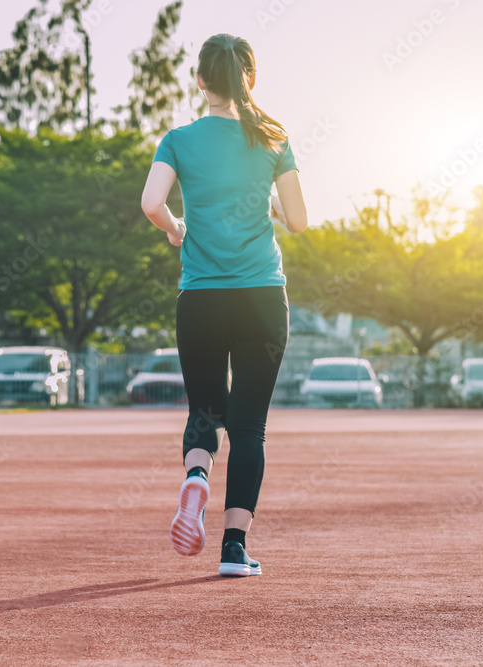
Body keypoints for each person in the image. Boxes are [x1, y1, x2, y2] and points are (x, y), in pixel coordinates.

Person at [140, 33, 309, 577]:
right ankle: (234, 548)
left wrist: (177, 229)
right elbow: (300, 219)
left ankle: (195, 480)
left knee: (205, 411)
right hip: (261, 295)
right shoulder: (274, 138)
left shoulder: (178, 139)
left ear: (200, 81)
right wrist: (267, 208)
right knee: (249, 426)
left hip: (202, 297)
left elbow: (150, 203)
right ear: (250, 79)